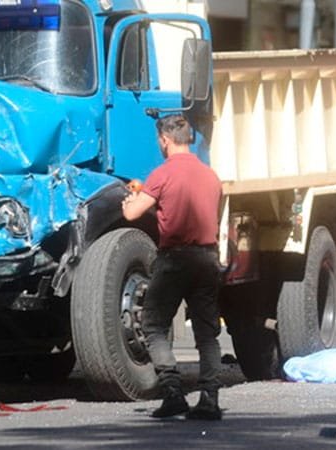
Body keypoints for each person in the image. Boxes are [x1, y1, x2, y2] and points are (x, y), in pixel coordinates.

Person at [121, 114, 224, 421]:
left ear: (165, 140)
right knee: (207, 335)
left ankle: (172, 393)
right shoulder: (211, 176)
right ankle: (209, 400)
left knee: (153, 325)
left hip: (175, 260)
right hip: (207, 258)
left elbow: (132, 214)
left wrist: (132, 197)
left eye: (159, 141)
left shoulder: (162, 174)